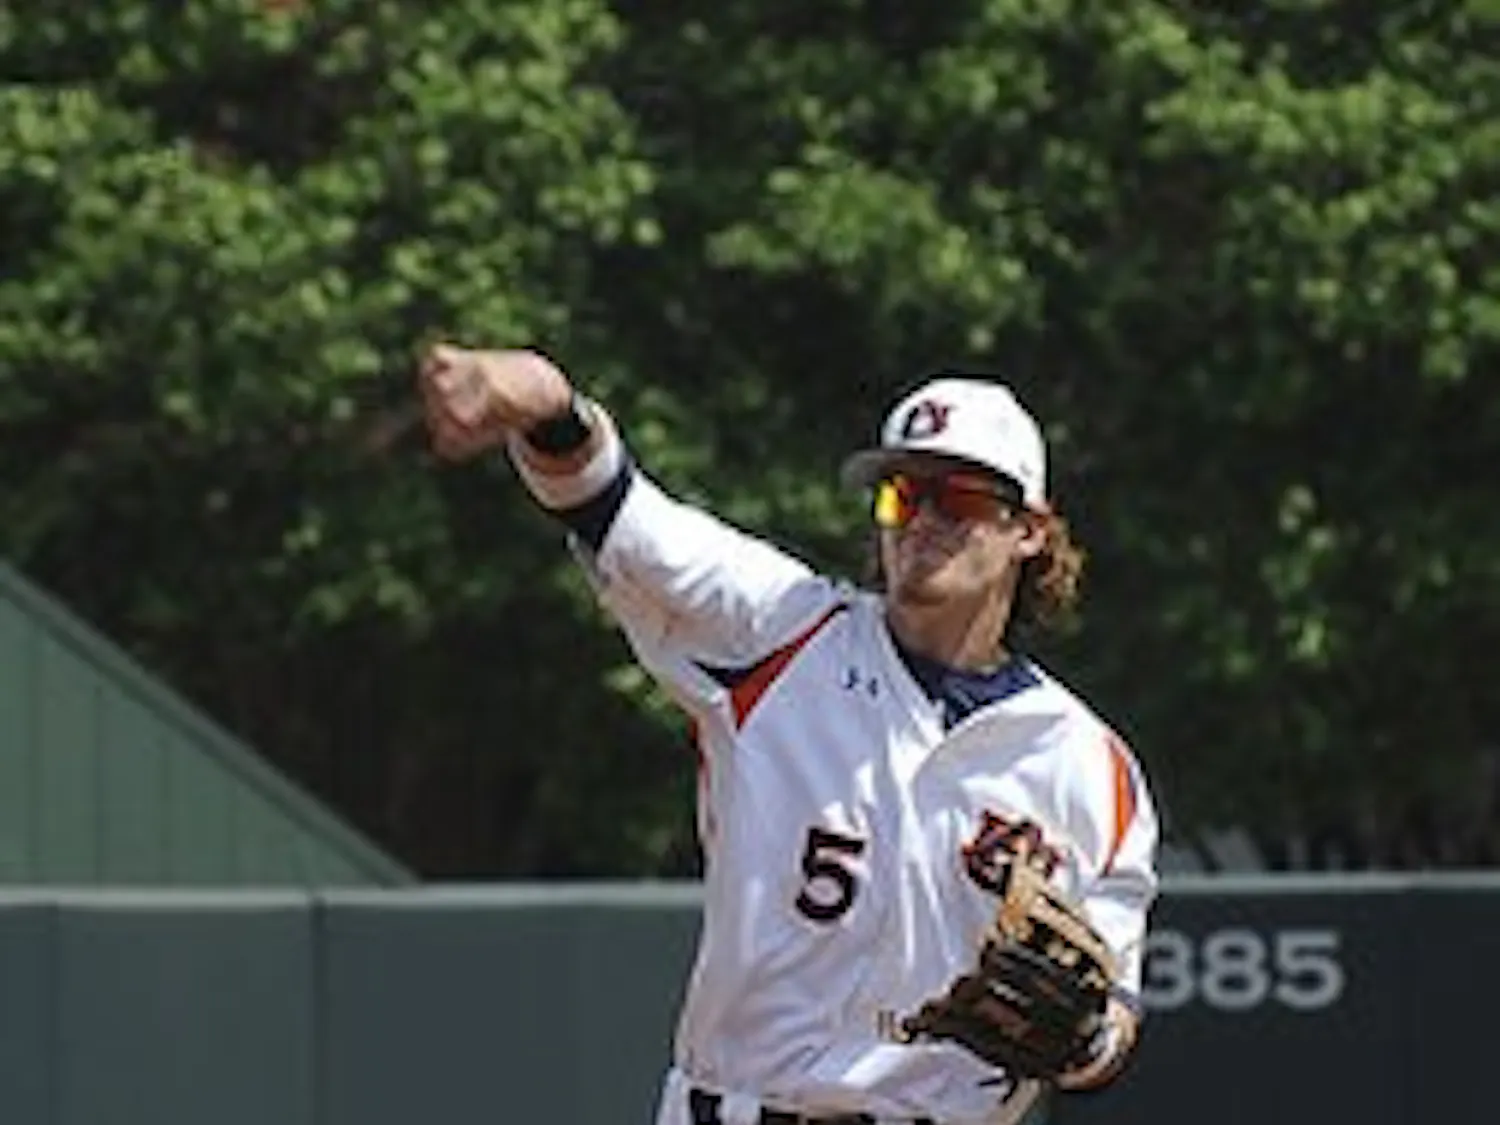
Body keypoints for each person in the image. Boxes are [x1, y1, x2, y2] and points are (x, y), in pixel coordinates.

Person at [418, 345, 1160, 1125]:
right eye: (903, 497)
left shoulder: (1089, 768)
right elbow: (617, 512)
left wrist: (1083, 1039)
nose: (925, 522)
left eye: (961, 499)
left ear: (1031, 531)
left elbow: (1113, 1017)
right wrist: (547, 406)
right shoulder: (781, 634)